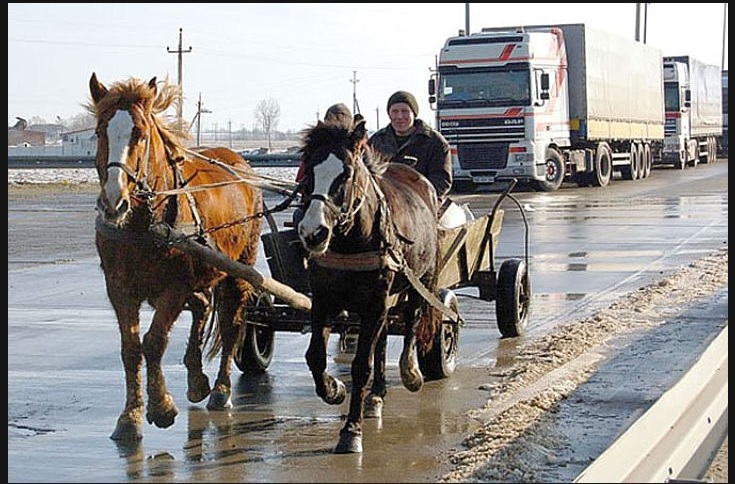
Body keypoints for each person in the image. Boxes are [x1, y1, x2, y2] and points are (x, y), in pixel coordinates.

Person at [368, 90, 453, 203]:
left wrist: (414, 199)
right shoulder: (376, 141)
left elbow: (442, 181)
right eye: (394, 111)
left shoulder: (435, 142)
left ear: (414, 113)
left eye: (405, 111)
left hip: (422, 205)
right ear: (389, 114)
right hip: (384, 204)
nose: (399, 116)